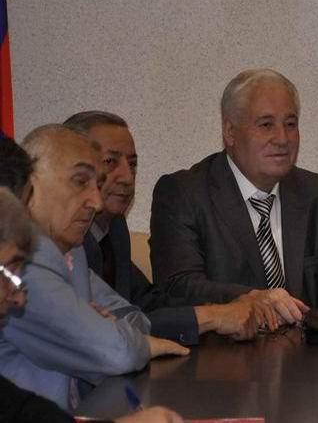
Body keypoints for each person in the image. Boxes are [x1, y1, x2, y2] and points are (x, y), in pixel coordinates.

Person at [151, 68, 318, 328]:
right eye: (266, 124)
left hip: (307, 350)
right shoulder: (185, 194)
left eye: (290, 124)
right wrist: (251, 298)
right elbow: (178, 287)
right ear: (230, 132)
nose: (282, 139)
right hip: (224, 349)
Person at [0, 128, 187, 412]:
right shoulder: (22, 265)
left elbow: (135, 318)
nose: (97, 202)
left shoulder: (71, 251)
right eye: (80, 181)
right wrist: (122, 339)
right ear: (31, 183)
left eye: (97, 185)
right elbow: (117, 352)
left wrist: (98, 328)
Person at [64, 111, 259, 345]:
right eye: (110, 162)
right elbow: (110, 325)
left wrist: (231, 304)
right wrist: (211, 317)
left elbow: (147, 302)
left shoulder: (114, 229)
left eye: (132, 164)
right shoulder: (62, 240)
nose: (127, 177)